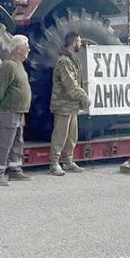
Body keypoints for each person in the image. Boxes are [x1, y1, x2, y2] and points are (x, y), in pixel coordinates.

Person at [0, 35, 33, 186]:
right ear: (18, 49)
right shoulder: (8, 65)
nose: (28, 50)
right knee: (5, 142)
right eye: (26, 47)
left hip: (19, 111)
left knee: (17, 142)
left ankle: (15, 170)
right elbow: (0, 88)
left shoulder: (19, 65)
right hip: (9, 111)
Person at [49, 31, 90, 176]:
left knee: (72, 136)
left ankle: (68, 161)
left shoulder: (72, 59)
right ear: (73, 42)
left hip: (71, 106)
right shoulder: (64, 61)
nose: (80, 44)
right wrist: (84, 97)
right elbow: (71, 85)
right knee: (60, 135)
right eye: (79, 42)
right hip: (63, 105)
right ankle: (54, 163)